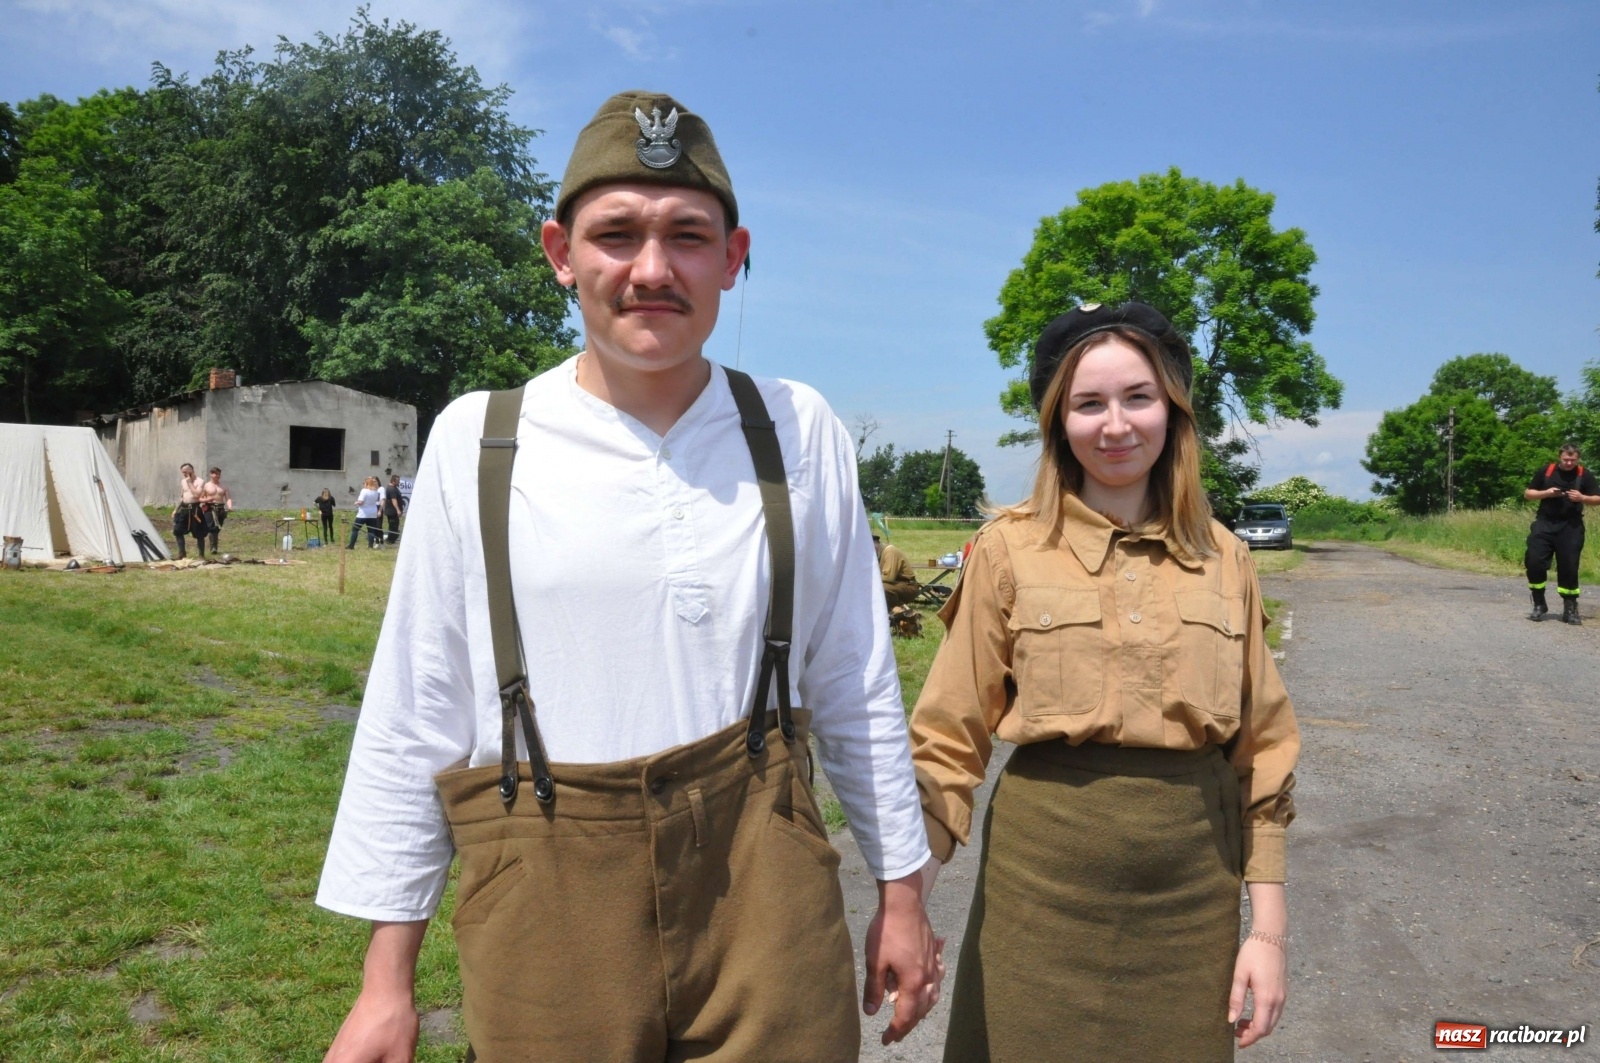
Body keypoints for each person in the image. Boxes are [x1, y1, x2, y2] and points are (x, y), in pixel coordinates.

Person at [319, 91, 941, 1063]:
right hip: (545, 902)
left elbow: (854, 679)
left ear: (732, 258)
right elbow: (418, 705)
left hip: (766, 889)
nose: (652, 269)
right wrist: (384, 981)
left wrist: (902, 893)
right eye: (616, 234)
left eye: (687, 236)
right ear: (560, 253)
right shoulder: (480, 437)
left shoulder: (797, 428)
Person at [909, 302, 1301, 1062]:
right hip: (1038, 895)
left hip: (1192, 900)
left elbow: (1263, 753)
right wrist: (908, 907)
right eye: (1088, 403)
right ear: (1059, 422)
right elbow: (947, 746)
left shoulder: (1225, 557)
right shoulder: (1007, 550)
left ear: (1173, 411)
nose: (1115, 425)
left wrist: (1269, 933)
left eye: (1138, 397)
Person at [1523, 442, 1599, 625]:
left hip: (1571, 526)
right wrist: (1547, 493)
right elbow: (1528, 494)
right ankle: (1539, 604)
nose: (1569, 463)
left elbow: (1597, 498)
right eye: (1566, 459)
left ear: (1578, 459)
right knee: (1534, 561)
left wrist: (1582, 498)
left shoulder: (1584, 474)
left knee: (1569, 567)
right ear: (1560, 457)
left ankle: (1570, 609)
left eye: (1573, 460)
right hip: (1544, 523)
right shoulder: (1546, 471)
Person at [874, 533, 921, 609]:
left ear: (876, 544)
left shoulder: (889, 551)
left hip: (908, 586)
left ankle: (902, 610)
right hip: (894, 586)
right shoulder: (875, 555)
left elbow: (888, 578)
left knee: (881, 588)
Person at [198, 467, 234, 554]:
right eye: (216, 474)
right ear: (211, 474)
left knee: (217, 528)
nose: (218, 476)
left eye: (219, 474)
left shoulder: (224, 486)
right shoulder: (206, 486)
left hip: (220, 508)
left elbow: (228, 498)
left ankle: (214, 545)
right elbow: (200, 498)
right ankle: (213, 547)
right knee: (211, 527)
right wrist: (207, 500)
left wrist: (230, 506)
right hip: (210, 508)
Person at [170, 463, 203, 560]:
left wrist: (189, 483)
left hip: (195, 509)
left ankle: (201, 555)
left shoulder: (200, 481)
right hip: (184, 509)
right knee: (178, 531)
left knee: (199, 532)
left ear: (192, 470)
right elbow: (182, 497)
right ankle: (182, 554)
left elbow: (197, 495)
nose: (184, 474)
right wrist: (176, 509)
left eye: (186, 472)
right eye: (183, 472)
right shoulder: (183, 481)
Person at [347, 477, 383, 549]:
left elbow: (361, 502)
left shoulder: (364, 491)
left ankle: (351, 545)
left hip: (363, 514)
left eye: (364, 483)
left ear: (367, 484)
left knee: (355, 529)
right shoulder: (376, 492)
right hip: (372, 513)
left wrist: (356, 503)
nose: (363, 484)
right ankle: (370, 546)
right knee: (371, 530)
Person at [382, 475, 406, 545]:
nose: (399, 483)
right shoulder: (391, 489)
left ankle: (391, 539)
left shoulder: (394, 488)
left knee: (395, 525)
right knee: (393, 526)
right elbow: (394, 500)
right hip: (392, 511)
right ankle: (390, 540)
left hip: (393, 511)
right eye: (397, 481)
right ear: (393, 481)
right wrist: (398, 510)